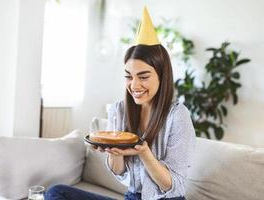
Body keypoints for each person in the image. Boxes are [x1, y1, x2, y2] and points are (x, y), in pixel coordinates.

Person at [45, 6, 195, 200]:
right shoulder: (119, 110)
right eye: (128, 77)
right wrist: (113, 152)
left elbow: (172, 185)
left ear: (162, 76)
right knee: (57, 192)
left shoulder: (177, 115)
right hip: (132, 197)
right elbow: (119, 172)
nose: (134, 85)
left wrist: (144, 152)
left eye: (143, 77)